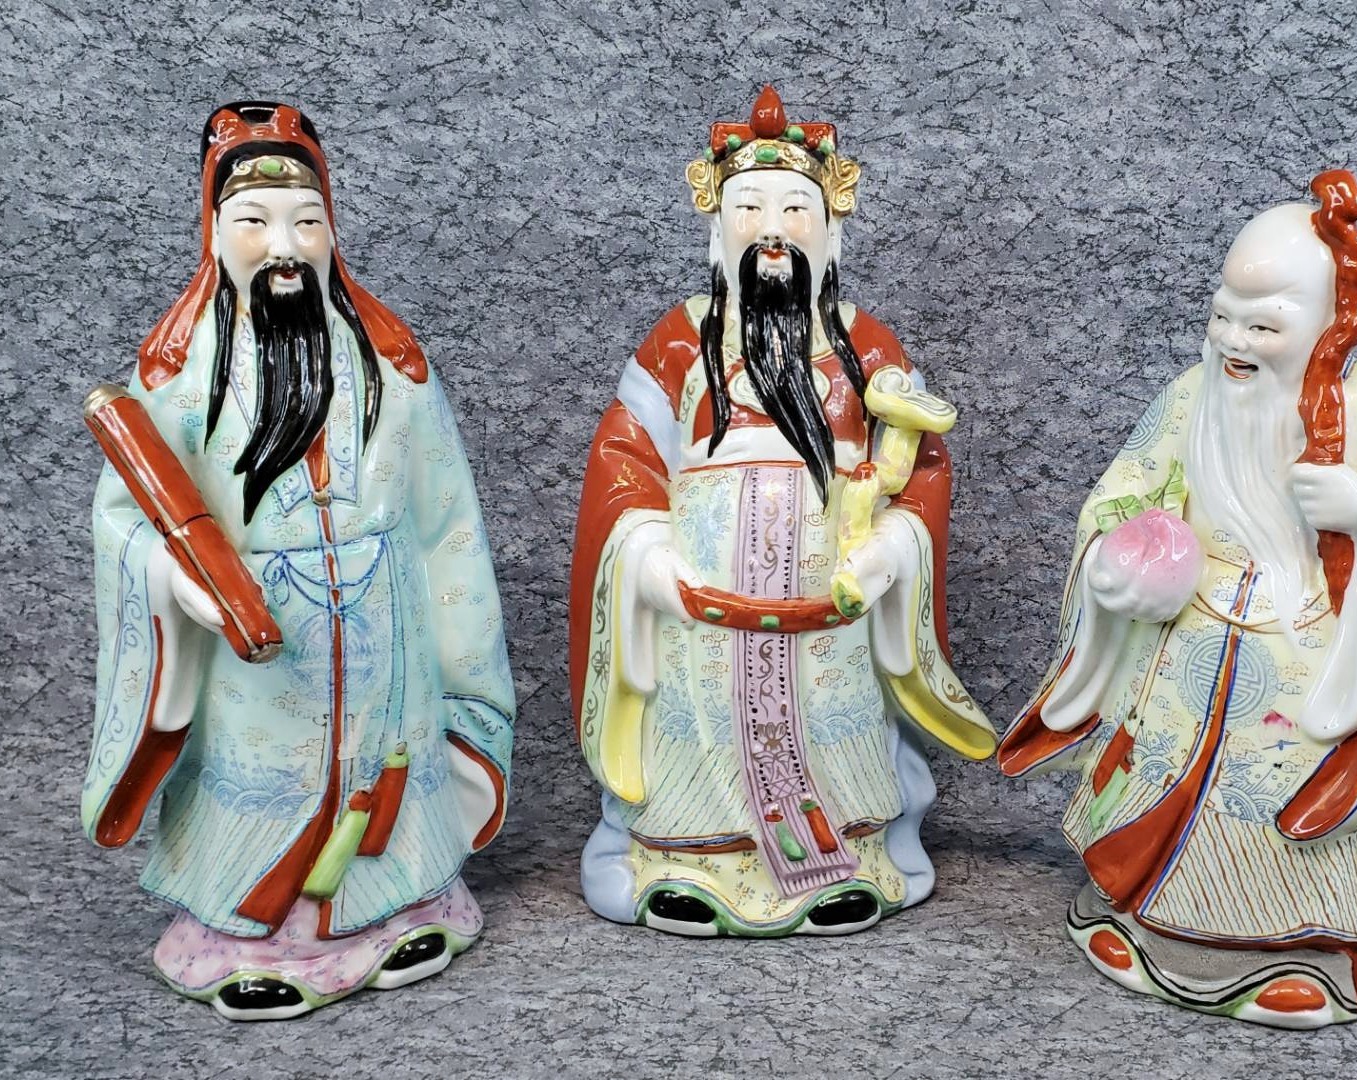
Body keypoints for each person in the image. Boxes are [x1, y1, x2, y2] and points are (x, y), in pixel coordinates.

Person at [998, 172, 1357, 1028]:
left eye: (1263, 326)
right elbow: (1124, 490)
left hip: (1304, 654)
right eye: (1222, 316)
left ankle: (1292, 953)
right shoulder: (1191, 396)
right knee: (1155, 774)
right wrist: (1120, 558)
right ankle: (1132, 921)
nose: (1232, 340)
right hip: (1183, 637)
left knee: (1273, 794)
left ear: (1329, 323)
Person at [82, 102, 515, 1020]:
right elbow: (127, 518)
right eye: (254, 221)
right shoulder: (178, 378)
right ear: (213, 232)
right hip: (258, 651)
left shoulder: (392, 368)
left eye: (306, 222)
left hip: (386, 623)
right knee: (269, 777)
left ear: (331, 232)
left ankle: (405, 906)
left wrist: (461, 651)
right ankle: (249, 934)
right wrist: (181, 583)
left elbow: (447, 520)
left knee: (388, 766)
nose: (284, 247)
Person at [570, 87, 996, 937]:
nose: (772, 230)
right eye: (749, 208)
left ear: (830, 228)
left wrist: (890, 549)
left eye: (795, 209)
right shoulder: (678, 340)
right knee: (701, 732)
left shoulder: (865, 344)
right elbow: (624, 458)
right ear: (716, 226)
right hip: (703, 613)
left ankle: (850, 856)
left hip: (826, 610)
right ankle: (688, 861)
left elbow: (920, 466)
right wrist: (648, 555)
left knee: (830, 723)